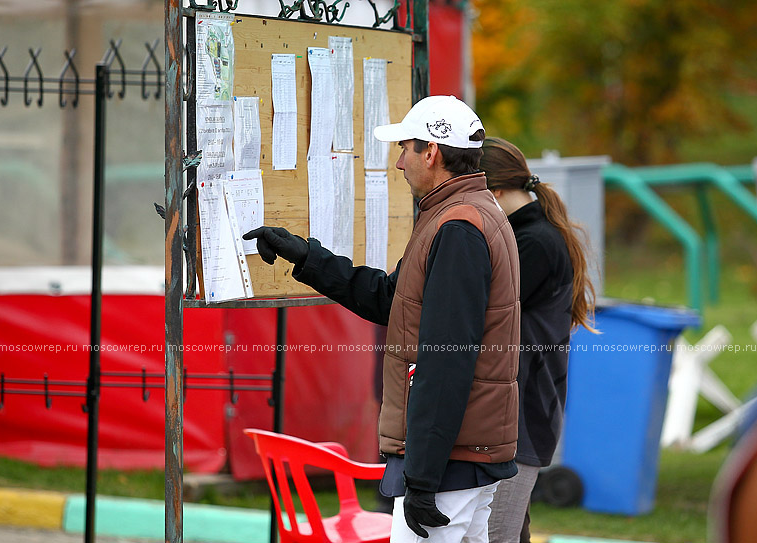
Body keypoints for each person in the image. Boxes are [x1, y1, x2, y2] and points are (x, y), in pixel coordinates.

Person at [243, 96, 521, 542]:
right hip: (461, 455)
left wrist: (424, 478)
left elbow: (446, 363)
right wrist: (307, 256)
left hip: (449, 463)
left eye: (406, 148)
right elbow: (392, 300)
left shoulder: (459, 226)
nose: (398, 163)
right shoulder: (465, 214)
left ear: (432, 152)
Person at [479, 137, 596, 543]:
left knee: (496, 537)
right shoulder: (527, 235)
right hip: (517, 411)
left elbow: (483, 316)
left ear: (494, 192)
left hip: (522, 414)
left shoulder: (534, 243)